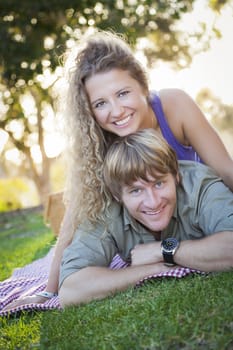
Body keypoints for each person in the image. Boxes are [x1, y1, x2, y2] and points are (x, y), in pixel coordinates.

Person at [3, 30, 233, 311]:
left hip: (199, 215)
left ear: (143, 87)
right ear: (90, 111)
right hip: (148, 232)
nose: (116, 111)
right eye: (100, 103)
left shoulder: (174, 106)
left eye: (123, 93)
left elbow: (226, 170)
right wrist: (51, 291)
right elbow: (72, 221)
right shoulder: (98, 144)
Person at [59, 128, 233, 307]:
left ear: (176, 176)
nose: (153, 202)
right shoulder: (105, 209)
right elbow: (70, 290)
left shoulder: (200, 185)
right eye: (136, 191)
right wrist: (155, 269)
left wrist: (162, 251)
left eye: (159, 183)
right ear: (118, 195)